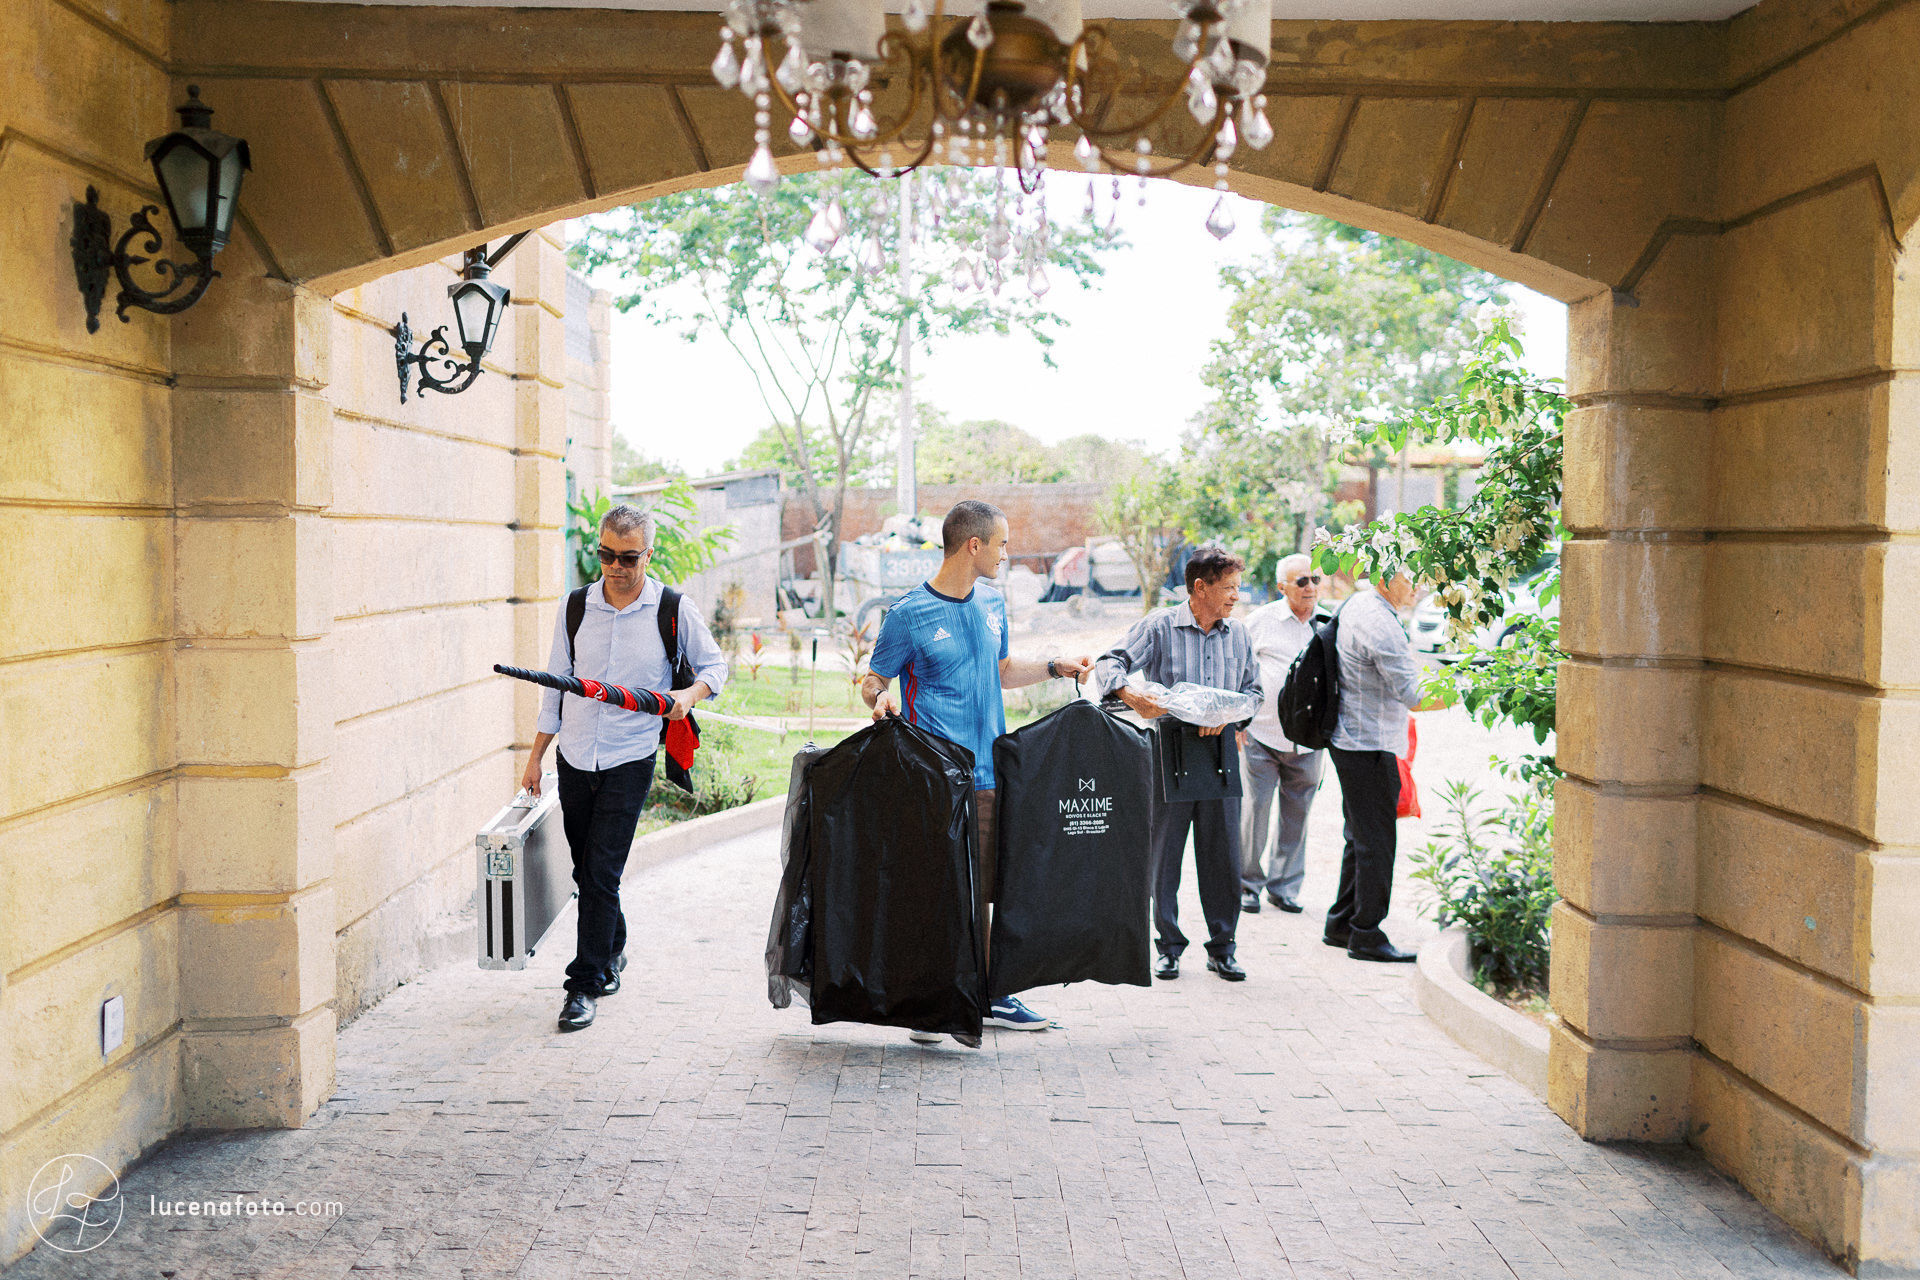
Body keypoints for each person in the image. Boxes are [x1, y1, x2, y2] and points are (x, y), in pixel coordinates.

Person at [860, 499, 1093, 1040]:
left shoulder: (992, 602)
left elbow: (1003, 669)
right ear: (974, 545)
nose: (1006, 554)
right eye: (1002, 544)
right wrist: (879, 699)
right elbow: (874, 679)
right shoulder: (908, 613)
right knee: (935, 890)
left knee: (987, 888)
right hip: (932, 778)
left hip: (988, 773)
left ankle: (991, 995)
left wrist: (1056, 667)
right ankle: (930, 1001)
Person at [521, 504, 728, 1031]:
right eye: (606, 555)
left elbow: (715, 667)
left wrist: (688, 696)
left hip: (629, 756)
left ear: (648, 555)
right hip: (575, 755)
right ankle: (613, 946)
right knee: (586, 871)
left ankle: (584, 984)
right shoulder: (575, 607)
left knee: (600, 872)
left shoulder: (672, 608)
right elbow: (556, 685)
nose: (616, 566)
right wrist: (536, 756)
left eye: (628, 557)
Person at [1093, 546, 1261, 982]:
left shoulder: (1239, 634)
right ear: (1200, 587)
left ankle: (1223, 948)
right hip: (1169, 751)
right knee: (1164, 856)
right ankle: (1167, 946)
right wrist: (1130, 694)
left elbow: (1254, 694)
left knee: (1224, 858)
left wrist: (1228, 713)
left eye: (1237, 587)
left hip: (1222, 752)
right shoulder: (1160, 626)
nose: (1236, 596)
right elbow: (1109, 663)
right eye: (1229, 588)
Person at [1324, 570, 1424, 963]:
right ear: (1385, 580)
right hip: (1370, 745)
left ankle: (1341, 924)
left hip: (1353, 739)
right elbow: (1414, 696)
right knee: (1376, 844)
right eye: (1410, 578)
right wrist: (1468, 686)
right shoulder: (1380, 622)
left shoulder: (1361, 603)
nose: (1418, 586)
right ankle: (1366, 934)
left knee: (1360, 837)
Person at [1239, 554, 1328, 916]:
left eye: (1315, 580)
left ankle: (1284, 888)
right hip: (1261, 736)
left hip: (1308, 741)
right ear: (1282, 587)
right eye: (1301, 581)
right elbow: (1238, 670)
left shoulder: (1328, 624)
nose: (1310, 588)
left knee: (1297, 815)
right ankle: (1247, 885)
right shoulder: (1260, 622)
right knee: (1254, 812)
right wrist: (1237, 722)